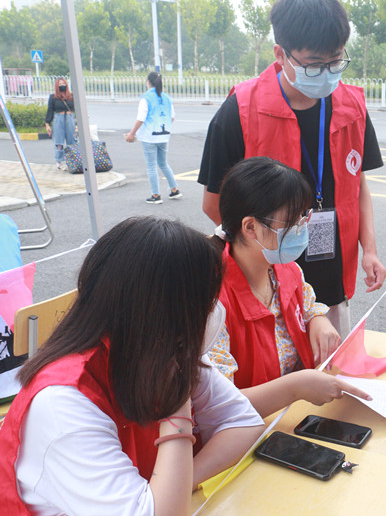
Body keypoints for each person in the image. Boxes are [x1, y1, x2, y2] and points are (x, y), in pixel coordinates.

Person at [0, 217, 265, 515]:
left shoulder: (158, 349)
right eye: (204, 301)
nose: (212, 312)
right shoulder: (64, 402)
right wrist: (177, 403)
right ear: (167, 312)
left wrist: (178, 485)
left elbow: (244, 422)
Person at [198, 0, 386, 338]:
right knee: (273, 364)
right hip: (264, 286)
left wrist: (370, 251)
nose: (326, 73)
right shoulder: (240, 111)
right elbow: (214, 205)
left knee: (329, 364)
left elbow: (357, 186)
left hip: (331, 274)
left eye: (335, 61)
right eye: (314, 64)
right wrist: (270, 253)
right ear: (280, 54)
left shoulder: (352, 107)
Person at [208, 157, 371, 417]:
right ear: (250, 227)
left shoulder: (287, 270)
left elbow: (308, 305)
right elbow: (218, 405)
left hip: (289, 417)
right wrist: (295, 388)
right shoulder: (211, 300)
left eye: (303, 217)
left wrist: (318, 319)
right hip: (246, 430)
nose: (301, 228)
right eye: (291, 222)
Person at [125, 71, 182, 204]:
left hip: (149, 137)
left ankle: (156, 195)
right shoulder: (166, 97)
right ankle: (174, 190)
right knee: (163, 163)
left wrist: (132, 133)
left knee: (151, 166)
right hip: (164, 136)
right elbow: (172, 117)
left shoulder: (146, 98)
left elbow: (141, 118)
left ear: (148, 82)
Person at [44, 77, 76, 171]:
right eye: (60, 84)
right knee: (59, 142)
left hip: (70, 118)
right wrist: (47, 124)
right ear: (57, 86)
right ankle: (59, 161)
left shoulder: (72, 96)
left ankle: (72, 161)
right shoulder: (53, 97)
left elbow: (77, 109)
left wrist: (77, 123)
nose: (62, 85)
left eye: (63, 83)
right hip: (59, 118)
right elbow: (50, 110)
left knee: (72, 141)